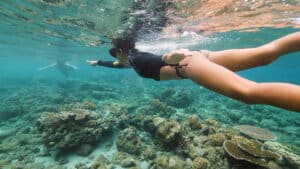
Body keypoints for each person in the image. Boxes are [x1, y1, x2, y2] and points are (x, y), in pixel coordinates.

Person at [87, 32, 300, 112]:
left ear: (122, 51)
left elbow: (153, 60)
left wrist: (168, 58)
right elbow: (118, 66)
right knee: (265, 54)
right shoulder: (130, 58)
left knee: (247, 92)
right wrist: (98, 62)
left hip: (188, 65)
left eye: (116, 54)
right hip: (199, 57)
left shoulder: (136, 58)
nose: (116, 59)